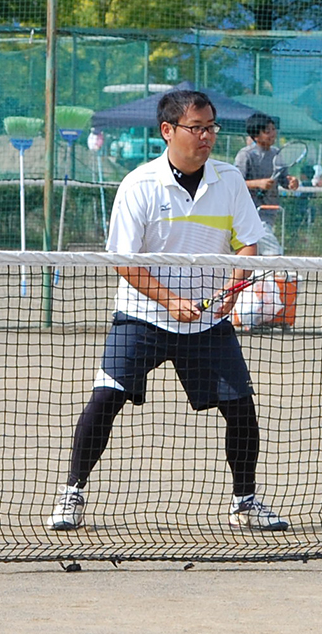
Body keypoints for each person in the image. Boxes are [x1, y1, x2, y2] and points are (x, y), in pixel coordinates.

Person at [46, 89, 288, 533]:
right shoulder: (139, 184)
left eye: (211, 127)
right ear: (168, 130)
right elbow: (123, 260)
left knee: (241, 408)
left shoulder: (229, 179)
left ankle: (245, 502)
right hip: (142, 317)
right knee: (105, 399)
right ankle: (71, 495)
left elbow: (248, 242)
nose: (206, 136)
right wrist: (170, 301)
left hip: (209, 323)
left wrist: (234, 287)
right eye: (196, 127)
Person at [235, 112, 299, 255]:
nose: (272, 134)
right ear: (256, 136)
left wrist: (292, 183)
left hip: (270, 212)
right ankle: (280, 274)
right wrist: (258, 183)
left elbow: (284, 179)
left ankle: (254, 277)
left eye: (273, 129)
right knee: (274, 252)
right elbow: (235, 184)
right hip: (250, 214)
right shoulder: (245, 155)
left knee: (254, 255)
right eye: (267, 131)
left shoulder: (277, 154)